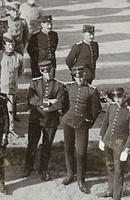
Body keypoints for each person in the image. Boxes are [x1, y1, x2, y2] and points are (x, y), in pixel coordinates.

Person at [61, 65, 101, 194]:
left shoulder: (92, 91)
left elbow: (96, 110)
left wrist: (88, 123)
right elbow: (64, 104)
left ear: (85, 76)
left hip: (82, 125)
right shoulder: (68, 87)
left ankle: (81, 179)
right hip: (68, 122)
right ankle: (70, 174)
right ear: (74, 76)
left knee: (81, 152)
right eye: (77, 77)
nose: (80, 79)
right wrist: (65, 116)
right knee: (68, 149)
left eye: (82, 76)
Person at [24, 60, 66, 180]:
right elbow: (31, 99)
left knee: (47, 146)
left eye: (50, 71)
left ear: (53, 70)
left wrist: (46, 106)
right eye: (45, 71)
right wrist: (47, 102)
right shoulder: (35, 83)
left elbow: (60, 103)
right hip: (36, 119)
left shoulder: (59, 85)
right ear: (41, 72)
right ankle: (28, 167)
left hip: (51, 120)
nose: (48, 74)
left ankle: (43, 169)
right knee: (32, 144)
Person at [99, 86, 130, 200]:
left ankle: (116, 197)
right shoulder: (111, 107)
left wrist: (126, 149)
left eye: (120, 97)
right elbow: (105, 123)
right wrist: (101, 138)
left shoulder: (128, 111)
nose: (117, 100)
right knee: (110, 167)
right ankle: (110, 191)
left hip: (120, 146)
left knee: (118, 171)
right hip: (108, 142)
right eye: (115, 97)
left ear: (125, 97)